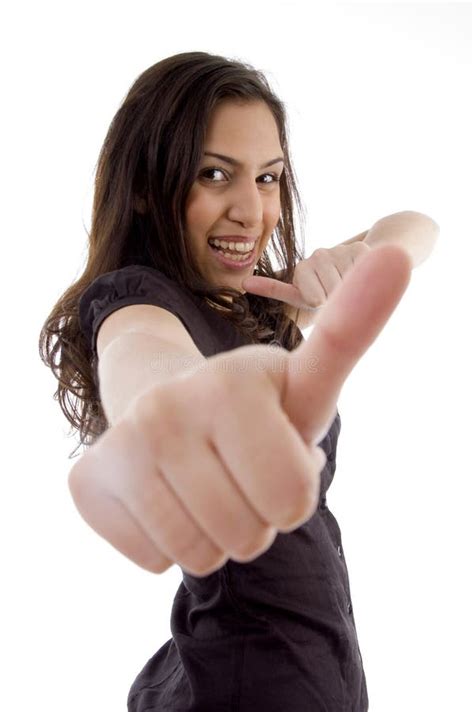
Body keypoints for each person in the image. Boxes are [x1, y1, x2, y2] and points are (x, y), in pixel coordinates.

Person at [38, 51, 436, 711]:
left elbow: (417, 230)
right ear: (146, 187)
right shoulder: (138, 299)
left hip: (309, 659)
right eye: (215, 174)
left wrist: (350, 259)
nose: (252, 211)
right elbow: (140, 351)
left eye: (269, 177)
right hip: (253, 683)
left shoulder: (258, 302)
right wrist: (170, 404)